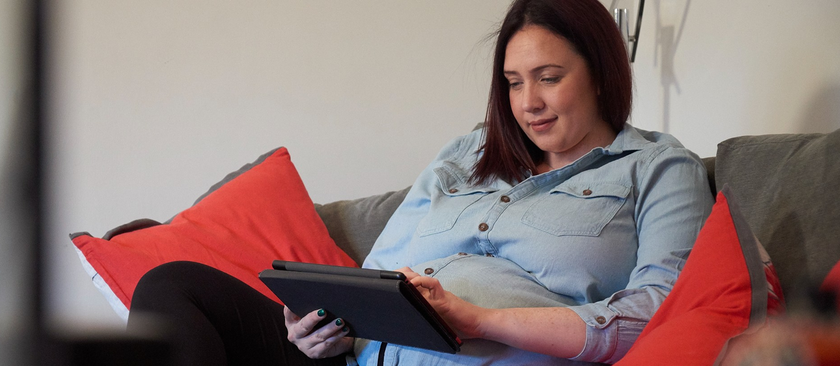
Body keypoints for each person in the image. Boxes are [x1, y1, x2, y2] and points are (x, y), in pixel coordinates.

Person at [127, 0, 715, 364]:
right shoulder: (468, 152)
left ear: (602, 72)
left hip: (480, 355)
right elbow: (380, 274)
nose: (528, 103)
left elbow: (660, 312)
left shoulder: (660, 170)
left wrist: (478, 318)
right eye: (513, 83)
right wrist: (323, 327)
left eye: (549, 77)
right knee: (171, 284)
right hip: (361, 357)